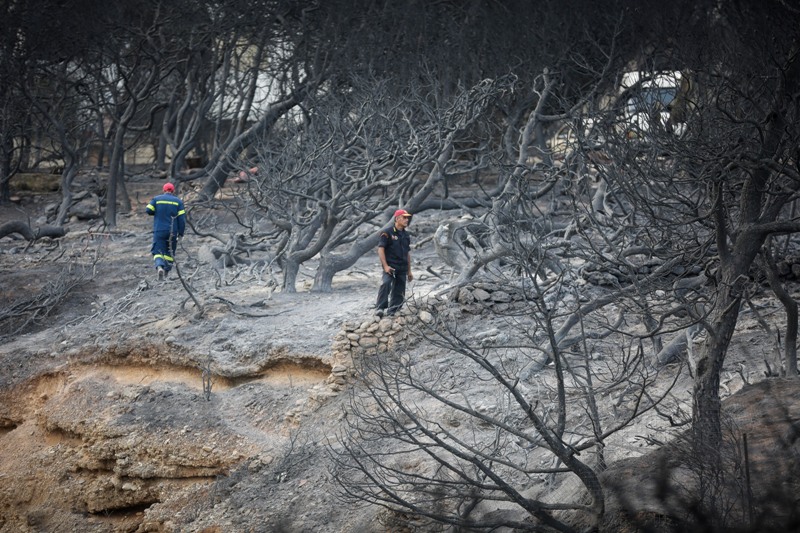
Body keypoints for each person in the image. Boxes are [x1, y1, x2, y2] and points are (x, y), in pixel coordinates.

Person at [376, 209, 413, 316]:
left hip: (402, 267)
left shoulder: (406, 235)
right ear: (397, 219)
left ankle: (393, 311)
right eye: (404, 217)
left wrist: (409, 271)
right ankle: (380, 308)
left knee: (399, 290)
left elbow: (407, 253)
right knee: (386, 284)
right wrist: (386, 266)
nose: (407, 220)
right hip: (390, 266)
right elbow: (380, 249)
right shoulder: (387, 232)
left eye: (407, 218)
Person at [146, 182, 186, 281]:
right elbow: (182, 220)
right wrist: (181, 233)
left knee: (157, 251)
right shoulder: (178, 202)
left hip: (159, 230)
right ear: (173, 191)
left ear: (163, 190)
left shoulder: (156, 199)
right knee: (170, 252)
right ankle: (166, 272)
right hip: (173, 231)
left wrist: (157, 211)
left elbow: (148, 210)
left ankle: (159, 267)